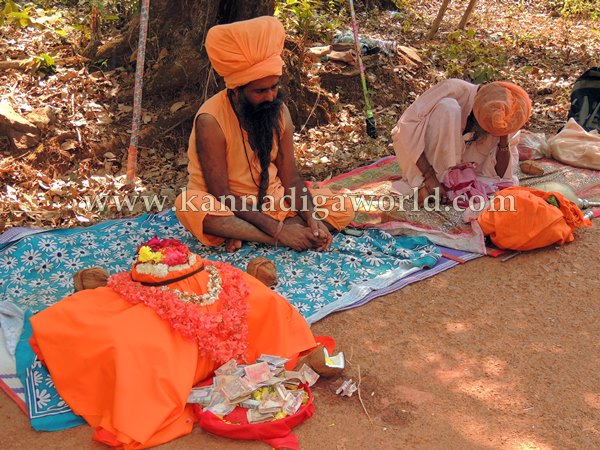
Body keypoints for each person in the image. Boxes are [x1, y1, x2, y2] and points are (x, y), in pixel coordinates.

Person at [28, 237, 324, 449]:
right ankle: (96, 296)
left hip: (205, 266)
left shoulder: (224, 279)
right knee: (122, 337)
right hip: (156, 283)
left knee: (255, 297)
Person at [174, 16, 354, 253]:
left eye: (274, 86)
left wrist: (312, 219)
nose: (270, 96)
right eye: (260, 91)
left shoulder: (278, 111)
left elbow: (290, 179)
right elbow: (221, 194)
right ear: (237, 90)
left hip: (272, 201)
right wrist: (279, 232)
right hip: (226, 204)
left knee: (343, 206)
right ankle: (275, 235)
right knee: (188, 205)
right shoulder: (211, 119)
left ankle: (246, 232)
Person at [391, 79, 532, 205]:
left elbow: (502, 175)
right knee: (448, 108)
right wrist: (429, 176)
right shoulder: (453, 89)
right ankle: (432, 183)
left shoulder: (510, 117)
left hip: (463, 168)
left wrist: (502, 136)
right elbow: (405, 126)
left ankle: (448, 186)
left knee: (507, 184)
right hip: (422, 159)